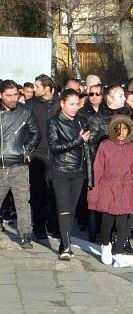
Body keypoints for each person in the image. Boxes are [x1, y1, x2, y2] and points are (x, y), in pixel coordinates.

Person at [89, 116, 133, 268]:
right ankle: (106, 246)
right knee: (107, 222)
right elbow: (97, 170)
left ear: (129, 129)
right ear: (113, 129)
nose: (121, 132)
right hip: (107, 187)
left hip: (126, 189)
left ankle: (119, 253)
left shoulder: (132, 147)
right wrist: (94, 194)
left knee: (123, 224)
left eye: (124, 129)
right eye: (118, 129)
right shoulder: (105, 145)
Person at [48, 89, 90, 260]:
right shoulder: (54, 122)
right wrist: (77, 141)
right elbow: (54, 147)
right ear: (62, 103)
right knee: (64, 209)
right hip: (61, 170)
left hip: (78, 171)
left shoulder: (81, 121)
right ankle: (66, 247)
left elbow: (87, 147)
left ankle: (64, 241)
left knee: (71, 210)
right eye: (71, 104)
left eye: (77, 105)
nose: (75, 108)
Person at [0, 80, 41, 249]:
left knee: (23, 202)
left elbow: (36, 133)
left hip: (19, 164)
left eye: (15, 95)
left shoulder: (26, 112)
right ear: (1, 95)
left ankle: (25, 236)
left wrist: (26, 150)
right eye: (8, 96)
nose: (12, 99)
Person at [27, 74, 60, 239]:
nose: (34, 89)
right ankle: (38, 226)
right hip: (37, 154)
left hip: (56, 154)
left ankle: (54, 225)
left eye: (37, 86)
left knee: (55, 192)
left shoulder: (59, 104)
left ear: (47, 88)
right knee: (37, 192)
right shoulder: (30, 105)